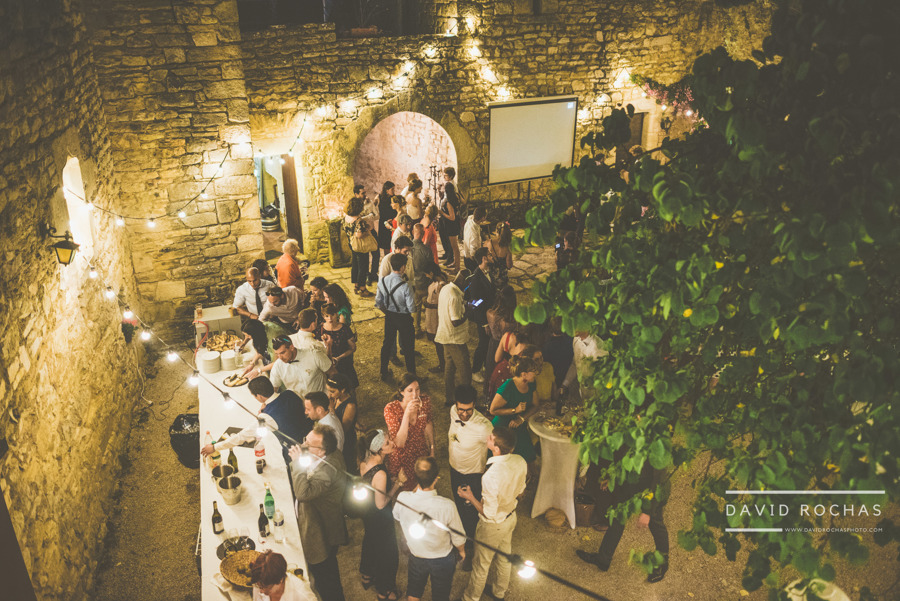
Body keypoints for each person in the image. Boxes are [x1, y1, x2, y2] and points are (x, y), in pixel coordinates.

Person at [457, 427, 527, 601]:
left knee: (481, 565)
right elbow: (521, 492)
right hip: (511, 517)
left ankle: (470, 598)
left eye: (490, 437)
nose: (487, 437)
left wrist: (470, 496)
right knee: (504, 559)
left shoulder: (491, 476)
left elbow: (488, 513)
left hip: (492, 526)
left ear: (496, 448)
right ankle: (499, 593)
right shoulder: (520, 461)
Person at [575, 461, 670, 583]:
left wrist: (647, 511)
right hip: (630, 482)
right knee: (617, 516)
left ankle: (662, 562)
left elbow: (658, 480)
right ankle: (603, 559)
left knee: (655, 523)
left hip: (651, 488)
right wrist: (612, 476)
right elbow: (624, 454)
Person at [393, 457, 466, 601]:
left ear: (415, 476)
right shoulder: (447, 506)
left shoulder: (403, 498)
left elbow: (397, 515)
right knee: (440, 595)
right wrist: (462, 552)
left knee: (414, 591)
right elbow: (458, 536)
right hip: (442, 558)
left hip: (416, 555)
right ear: (436, 479)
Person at [289, 425, 348, 601]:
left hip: (321, 530)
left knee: (326, 577)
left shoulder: (327, 472)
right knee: (327, 572)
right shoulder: (326, 452)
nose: (303, 444)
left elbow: (303, 493)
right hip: (319, 517)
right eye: (306, 438)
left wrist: (297, 462)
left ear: (322, 451)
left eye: (308, 443)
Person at [200, 376, 312, 466]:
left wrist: (215, 447)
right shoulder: (291, 392)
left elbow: (241, 437)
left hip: (293, 452)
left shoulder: (267, 417)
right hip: (308, 437)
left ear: (259, 396)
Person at [447, 384, 493, 570]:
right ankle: (460, 543)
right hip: (454, 470)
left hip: (472, 475)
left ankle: (469, 551)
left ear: (474, 406)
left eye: (469, 410)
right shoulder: (452, 412)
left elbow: (496, 450)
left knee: (470, 515)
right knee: (458, 508)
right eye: (461, 410)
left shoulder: (484, 427)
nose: (464, 414)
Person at [357, 429, 403, 601]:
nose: (391, 443)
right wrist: (398, 484)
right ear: (378, 450)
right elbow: (381, 503)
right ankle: (384, 591)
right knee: (388, 554)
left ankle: (367, 574)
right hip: (380, 518)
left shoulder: (363, 461)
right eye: (387, 443)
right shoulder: (380, 473)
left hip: (367, 513)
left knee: (369, 540)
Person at [384, 373, 434, 492]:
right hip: (402, 458)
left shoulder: (425, 401)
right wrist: (406, 414)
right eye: (410, 390)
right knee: (403, 492)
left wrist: (432, 450)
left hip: (420, 453)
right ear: (401, 392)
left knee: (422, 488)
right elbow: (399, 443)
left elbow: (428, 425)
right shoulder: (391, 409)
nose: (415, 395)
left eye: (417, 389)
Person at [245, 333, 330, 399]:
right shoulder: (278, 366)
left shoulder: (314, 355)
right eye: (277, 354)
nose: (280, 357)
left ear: (292, 347)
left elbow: (332, 373)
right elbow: (273, 391)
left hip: (321, 401)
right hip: (298, 406)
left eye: (282, 353)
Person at [490, 356, 540, 465]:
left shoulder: (531, 384)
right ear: (524, 375)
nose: (535, 374)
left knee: (528, 456)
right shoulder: (507, 387)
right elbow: (492, 410)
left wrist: (521, 418)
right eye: (533, 372)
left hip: (518, 424)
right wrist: (514, 410)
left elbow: (536, 405)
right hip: (502, 425)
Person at [376, 253, 416, 381]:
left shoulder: (382, 281)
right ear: (403, 267)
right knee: (408, 347)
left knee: (387, 343)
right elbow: (412, 308)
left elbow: (378, 302)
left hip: (390, 316)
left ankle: (383, 371)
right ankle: (412, 374)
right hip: (404, 317)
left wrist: (388, 312)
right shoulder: (406, 285)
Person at [435, 269, 471, 407]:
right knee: (465, 370)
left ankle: (449, 398)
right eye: (468, 285)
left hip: (444, 334)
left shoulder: (446, 288)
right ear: (464, 282)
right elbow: (455, 321)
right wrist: (469, 311)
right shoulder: (455, 296)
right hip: (455, 339)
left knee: (449, 367)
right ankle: (466, 400)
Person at [467, 247, 496, 383]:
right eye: (489, 255)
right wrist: (484, 323)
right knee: (483, 344)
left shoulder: (488, 272)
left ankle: (485, 365)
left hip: (490, 314)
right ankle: (475, 370)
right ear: (484, 259)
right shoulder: (476, 279)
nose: (491, 256)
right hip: (483, 318)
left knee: (488, 343)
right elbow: (475, 303)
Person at [484, 285, 517, 394]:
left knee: (491, 371)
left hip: (493, 345)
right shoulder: (514, 318)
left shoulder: (490, 314)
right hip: (509, 347)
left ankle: (489, 395)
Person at [316, 303, 358, 389]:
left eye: (332, 315)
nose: (330, 318)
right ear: (323, 316)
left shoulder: (345, 329)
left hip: (344, 363)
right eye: (327, 316)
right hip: (327, 365)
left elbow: (353, 348)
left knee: (348, 387)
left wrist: (338, 358)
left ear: (337, 314)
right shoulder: (320, 329)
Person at [249, 550, 317, 601]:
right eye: (258, 586)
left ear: (280, 580)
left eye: (266, 587)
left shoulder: (303, 596)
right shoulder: (260, 580)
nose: (261, 591)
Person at [561, 331, 608, 403]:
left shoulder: (600, 345)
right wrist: (564, 385)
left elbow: (604, 374)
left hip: (597, 395)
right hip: (583, 394)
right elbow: (574, 364)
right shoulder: (576, 340)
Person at [326, 373, 358, 475]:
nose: (329, 394)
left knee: (347, 466)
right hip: (336, 438)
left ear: (343, 390)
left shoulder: (350, 406)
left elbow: (343, 429)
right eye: (328, 390)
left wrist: (331, 409)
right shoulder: (336, 398)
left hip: (347, 441)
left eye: (332, 391)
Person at [344, 195, 375, 297]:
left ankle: (356, 285)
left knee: (355, 264)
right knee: (363, 266)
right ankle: (363, 288)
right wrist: (367, 230)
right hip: (360, 246)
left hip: (351, 244)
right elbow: (359, 234)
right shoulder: (358, 220)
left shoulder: (346, 217)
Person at [411, 223, 436, 337]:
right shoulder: (426, 249)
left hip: (413, 282)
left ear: (413, 232)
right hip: (425, 282)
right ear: (423, 234)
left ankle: (416, 329)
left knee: (416, 306)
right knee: (428, 306)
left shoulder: (408, 248)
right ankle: (430, 328)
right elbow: (431, 266)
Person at [423, 264, 448, 375]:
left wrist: (429, 304)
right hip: (432, 316)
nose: (427, 276)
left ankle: (443, 364)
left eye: (427, 274)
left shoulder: (441, 286)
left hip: (436, 317)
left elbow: (444, 303)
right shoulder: (435, 283)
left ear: (432, 273)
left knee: (438, 341)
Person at [437, 166, 461, 272]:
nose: (444, 176)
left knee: (453, 245)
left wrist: (441, 212)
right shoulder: (451, 193)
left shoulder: (449, 202)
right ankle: (453, 261)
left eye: (446, 175)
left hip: (451, 223)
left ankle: (455, 263)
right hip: (450, 221)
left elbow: (452, 217)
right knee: (451, 243)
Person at [485, 221, 514, 290]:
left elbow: (484, 257)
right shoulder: (508, 248)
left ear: (497, 232)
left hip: (490, 277)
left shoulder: (490, 243)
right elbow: (509, 266)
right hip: (502, 280)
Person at [377, 181, 397, 256]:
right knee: (385, 244)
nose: (393, 191)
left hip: (392, 222)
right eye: (392, 189)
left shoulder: (394, 198)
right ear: (386, 190)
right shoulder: (379, 197)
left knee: (392, 243)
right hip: (383, 222)